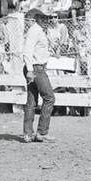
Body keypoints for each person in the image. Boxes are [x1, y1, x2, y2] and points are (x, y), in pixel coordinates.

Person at [22, 8, 56, 143]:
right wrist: (30, 70)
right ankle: (42, 132)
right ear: (37, 17)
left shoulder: (37, 31)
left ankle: (28, 134)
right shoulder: (35, 31)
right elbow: (27, 52)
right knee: (49, 98)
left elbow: (37, 50)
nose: (46, 20)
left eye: (48, 18)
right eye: (43, 18)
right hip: (36, 69)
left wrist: (51, 53)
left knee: (32, 101)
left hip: (34, 67)